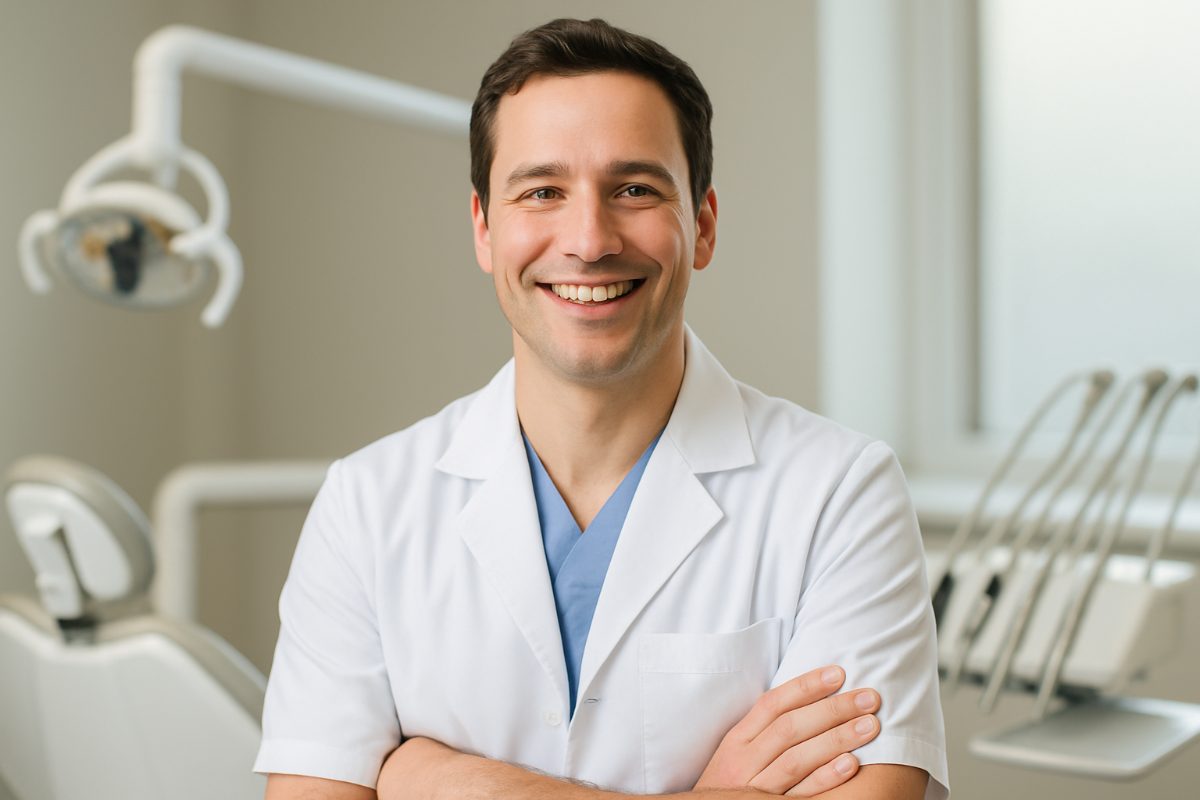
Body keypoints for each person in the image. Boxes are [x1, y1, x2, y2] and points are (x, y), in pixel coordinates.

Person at [255, 18, 948, 800]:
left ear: (703, 226)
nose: (588, 240)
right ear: (484, 227)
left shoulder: (841, 494)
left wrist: (446, 781)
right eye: (542, 192)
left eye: (635, 190)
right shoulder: (367, 505)